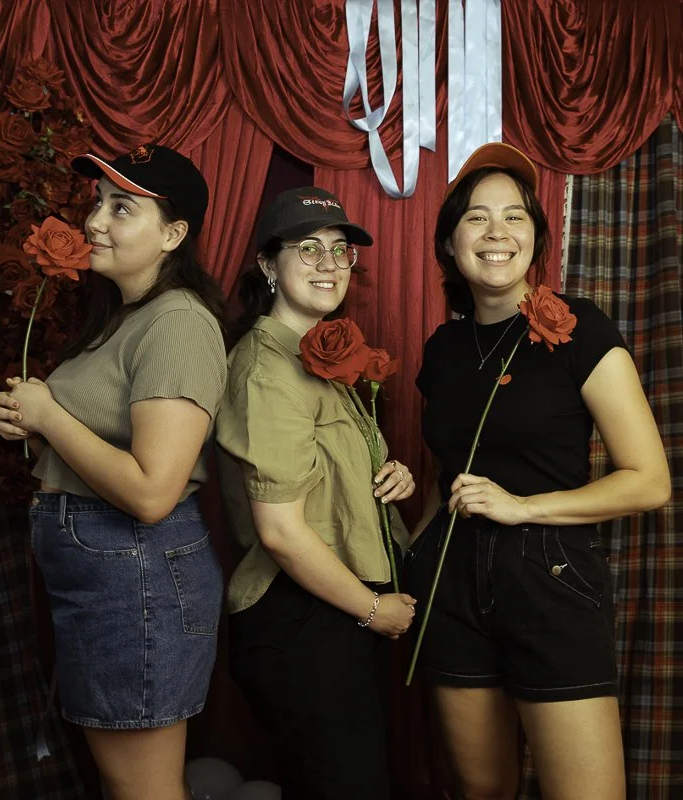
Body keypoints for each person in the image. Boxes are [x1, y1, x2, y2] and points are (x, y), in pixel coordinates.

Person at [405, 142, 671, 800]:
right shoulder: (442, 349)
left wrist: (524, 507)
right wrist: (408, 554)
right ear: (449, 243)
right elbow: (452, 475)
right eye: (475, 218)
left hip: (553, 578)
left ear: (537, 238)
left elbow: (648, 480)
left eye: (514, 217)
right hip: (452, 589)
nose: (496, 233)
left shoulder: (582, 329)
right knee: (481, 789)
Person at [0, 144, 227, 800]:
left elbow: (152, 491)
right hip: (114, 579)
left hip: (137, 577)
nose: (95, 221)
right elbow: (98, 442)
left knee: (142, 790)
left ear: (172, 234)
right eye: (98, 203)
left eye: (121, 208)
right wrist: (34, 424)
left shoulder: (178, 323)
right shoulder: (126, 317)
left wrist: (51, 414)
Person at [215, 186, 418, 799]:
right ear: (266, 265)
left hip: (333, 616)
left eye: (340, 251)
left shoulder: (315, 362)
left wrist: (389, 471)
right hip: (303, 621)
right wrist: (372, 609)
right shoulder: (266, 370)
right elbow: (280, 530)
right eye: (307, 249)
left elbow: (326, 478)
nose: (330, 265)